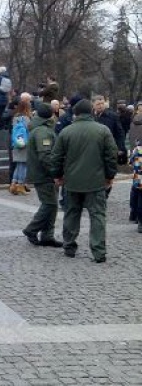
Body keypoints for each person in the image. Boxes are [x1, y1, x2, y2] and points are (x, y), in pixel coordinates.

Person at [50, 99, 118, 263]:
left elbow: (56, 157)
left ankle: (69, 246)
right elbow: (111, 156)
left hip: (72, 181)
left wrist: (57, 175)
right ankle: (99, 252)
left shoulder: (66, 132)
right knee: (97, 216)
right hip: (96, 182)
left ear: (75, 113)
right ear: (91, 112)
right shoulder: (103, 130)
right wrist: (110, 176)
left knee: (71, 214)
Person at [21, 103, 62, 247]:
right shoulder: (43, 131)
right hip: (44, 174)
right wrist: (55, 172)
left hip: (45, 174)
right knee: (49, 204)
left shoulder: (42, 128)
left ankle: (47, 236)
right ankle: (31, 229)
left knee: (52, 205)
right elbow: (45, 156)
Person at [92, 95, 127, 164]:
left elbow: (120, 133)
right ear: (93, 105)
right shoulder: (90, 116)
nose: (101, 106)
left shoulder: (113, 116)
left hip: (109, 149)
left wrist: (120, 148)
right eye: (98, 104)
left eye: (102, 103)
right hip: (94, 149)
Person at [9, 95, 33, 195]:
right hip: (24, 144)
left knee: (18, 165)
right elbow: (30, 130)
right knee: (23, 165)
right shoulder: (26, 118)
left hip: (16, 143)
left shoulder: (16, 117)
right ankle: (20, 185)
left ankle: (13, 184)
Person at [130, 133, 142, 234]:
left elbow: (131, 162)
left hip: (138, 177)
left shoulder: (137, 149)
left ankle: (136, 217)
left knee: (137, 196)